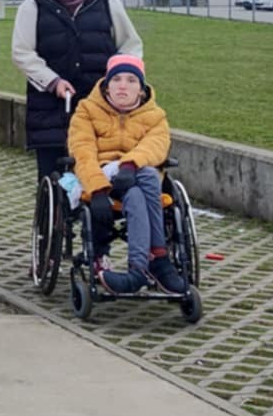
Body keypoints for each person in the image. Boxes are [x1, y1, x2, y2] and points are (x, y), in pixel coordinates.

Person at [12, 0, 144, 179]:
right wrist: (52, 81)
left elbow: (130, 44)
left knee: (99, 172)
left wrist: (117, 82)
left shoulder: (105, 0)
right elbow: (22, 52)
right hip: (52, 107)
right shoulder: (33, 5)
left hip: (101, 104)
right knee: (53, 176)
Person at [68, 55, 186, 296]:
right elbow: (83, 153)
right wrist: (98, 189)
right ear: (106, 85)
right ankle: (158, 260)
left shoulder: (155, 116)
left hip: (136, 182)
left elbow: (155, 147)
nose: (123, 85)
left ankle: (138, 271)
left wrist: (129, 165)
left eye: (132, 80)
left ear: (141, 91)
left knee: (139, 187)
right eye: (117, 79)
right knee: (150, 177)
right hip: (100, 176)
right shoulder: (86, 111)